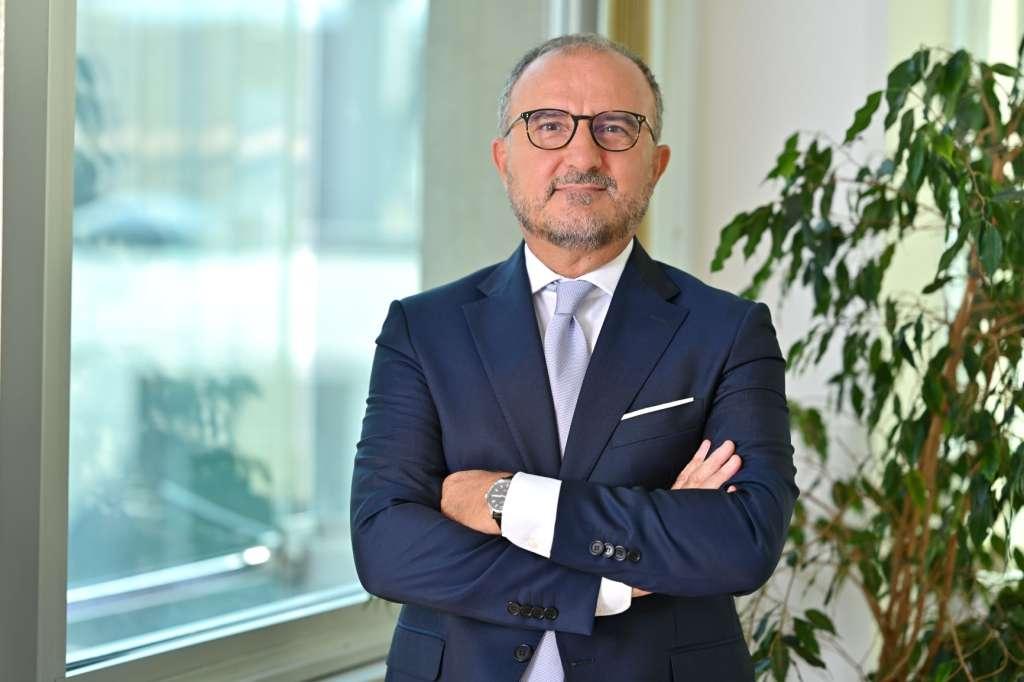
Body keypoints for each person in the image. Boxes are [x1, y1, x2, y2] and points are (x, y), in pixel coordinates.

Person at [350, 33, 798, 682]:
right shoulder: (422, 330)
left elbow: (741, 541)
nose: (583, 154)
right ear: (504, 158)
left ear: (656, 164)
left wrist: (509, 501)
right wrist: (605, 586)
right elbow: (386, 546)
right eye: (548, 125)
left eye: (615, 127)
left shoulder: (729, 331)